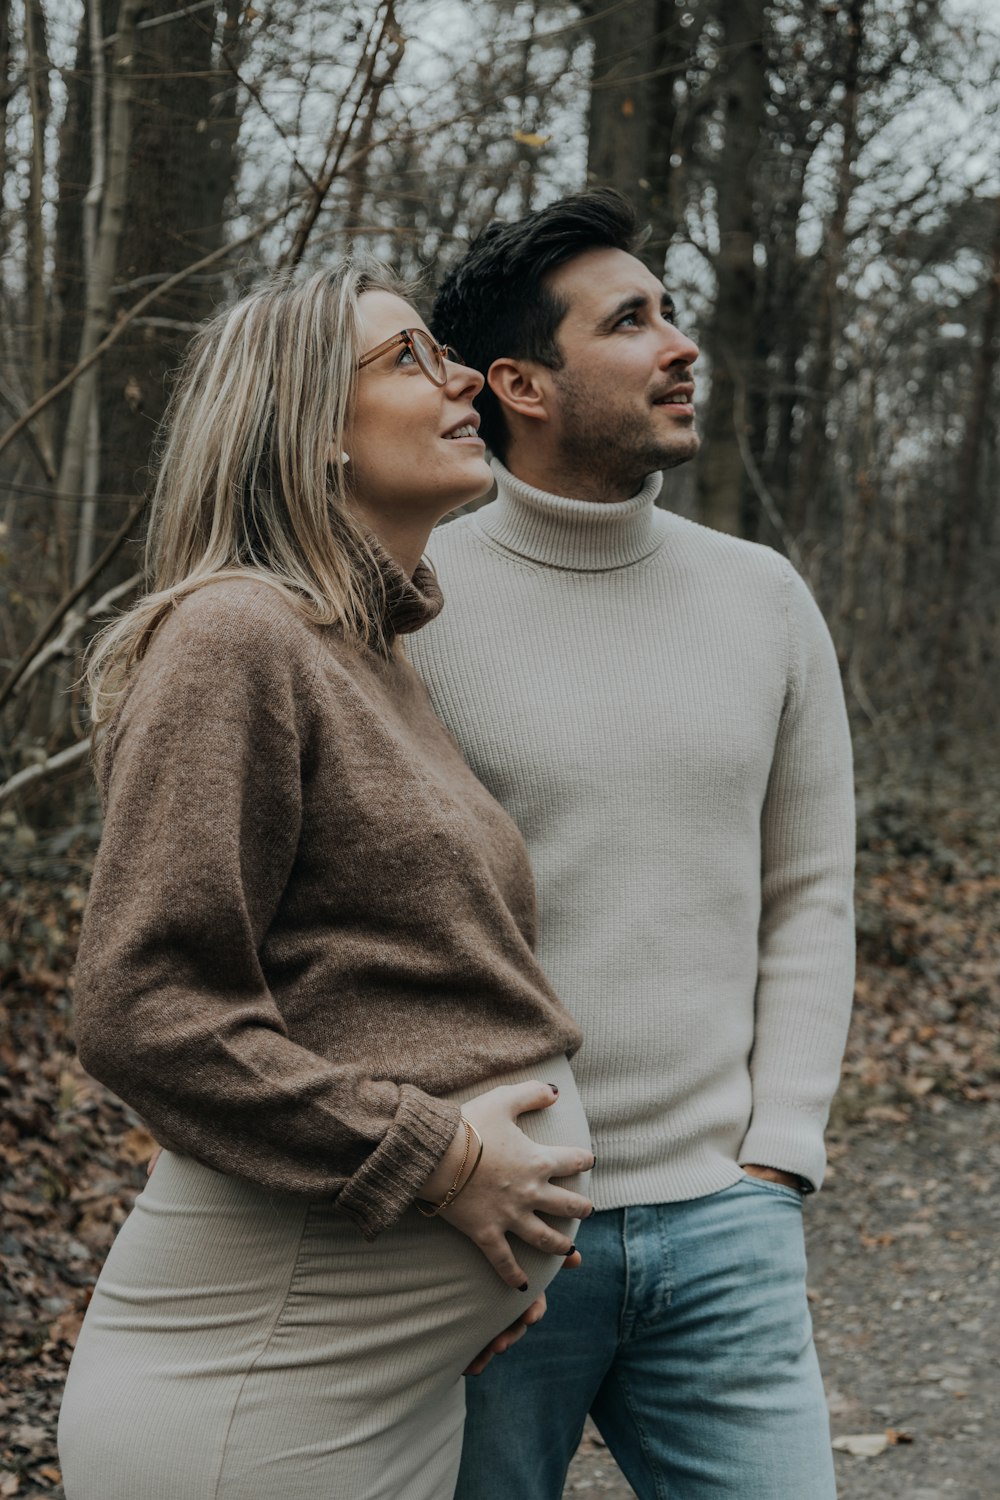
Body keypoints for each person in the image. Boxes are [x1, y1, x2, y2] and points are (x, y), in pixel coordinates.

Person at [56, 264, 595, 1500]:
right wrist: (437, 1161)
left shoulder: (366, 656)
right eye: (409, 358)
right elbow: (144, 1007)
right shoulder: (233, 634)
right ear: (305, 427)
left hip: (371, 1373)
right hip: (257, 1386)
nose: (462, 375)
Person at [405, 188, 856, 1499]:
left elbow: (812, 892)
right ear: (520, 384)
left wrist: (780, 1153)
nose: (681, 344)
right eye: (632, 320)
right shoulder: (412, 606)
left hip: (729, 1229)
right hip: (492, 1240)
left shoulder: (762, 599)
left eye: (672, 310)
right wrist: (448, 1164)